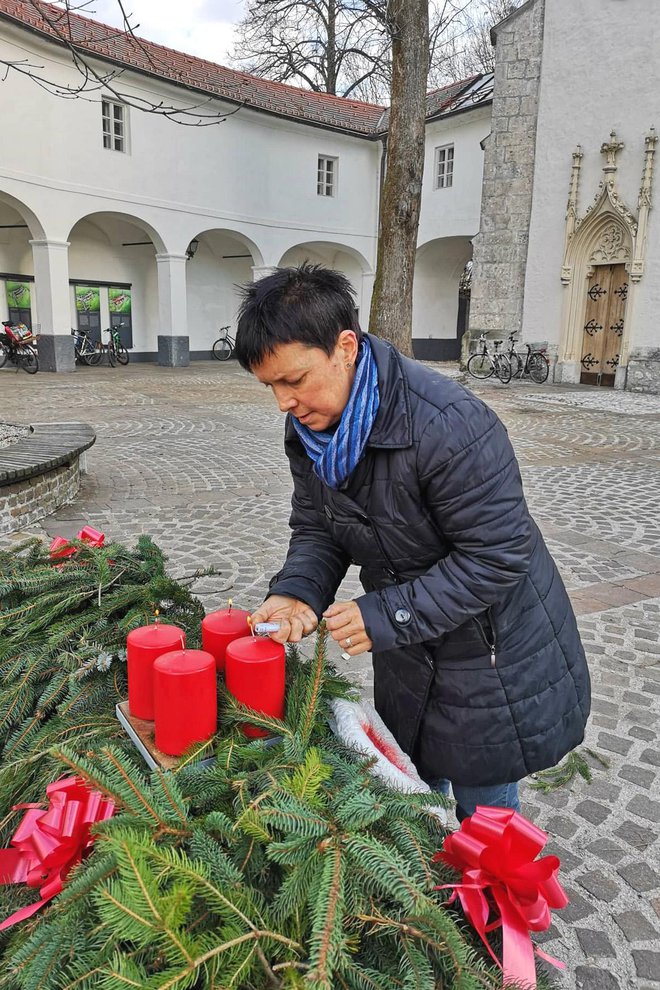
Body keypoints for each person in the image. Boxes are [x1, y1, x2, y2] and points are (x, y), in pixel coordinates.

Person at [236, 263, 591, 821]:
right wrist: (299, 593)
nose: (284, 401)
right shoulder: (310, 430)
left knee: (487, 832)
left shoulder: (449, 424)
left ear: (345, 346)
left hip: (488, 656)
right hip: (411, 656)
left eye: (295, 380)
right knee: (418, 811)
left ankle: (497, 910)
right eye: (271, 386)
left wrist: (387, 615)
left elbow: (496, 556)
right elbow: (318, 527)